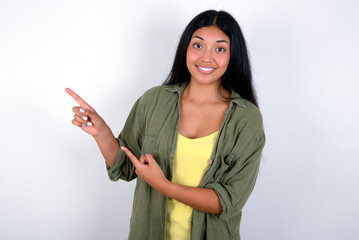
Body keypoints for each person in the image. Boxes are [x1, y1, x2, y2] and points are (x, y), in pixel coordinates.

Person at [66, 9, 265, 240]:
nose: (206, 57)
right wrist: (101, 133)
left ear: (233, 56)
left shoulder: (246, 119)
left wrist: (164, 186)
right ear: (186, 49)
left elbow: (229, 200)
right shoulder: (153, 101)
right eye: (198, 45)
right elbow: (125, 166)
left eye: (220, 49)